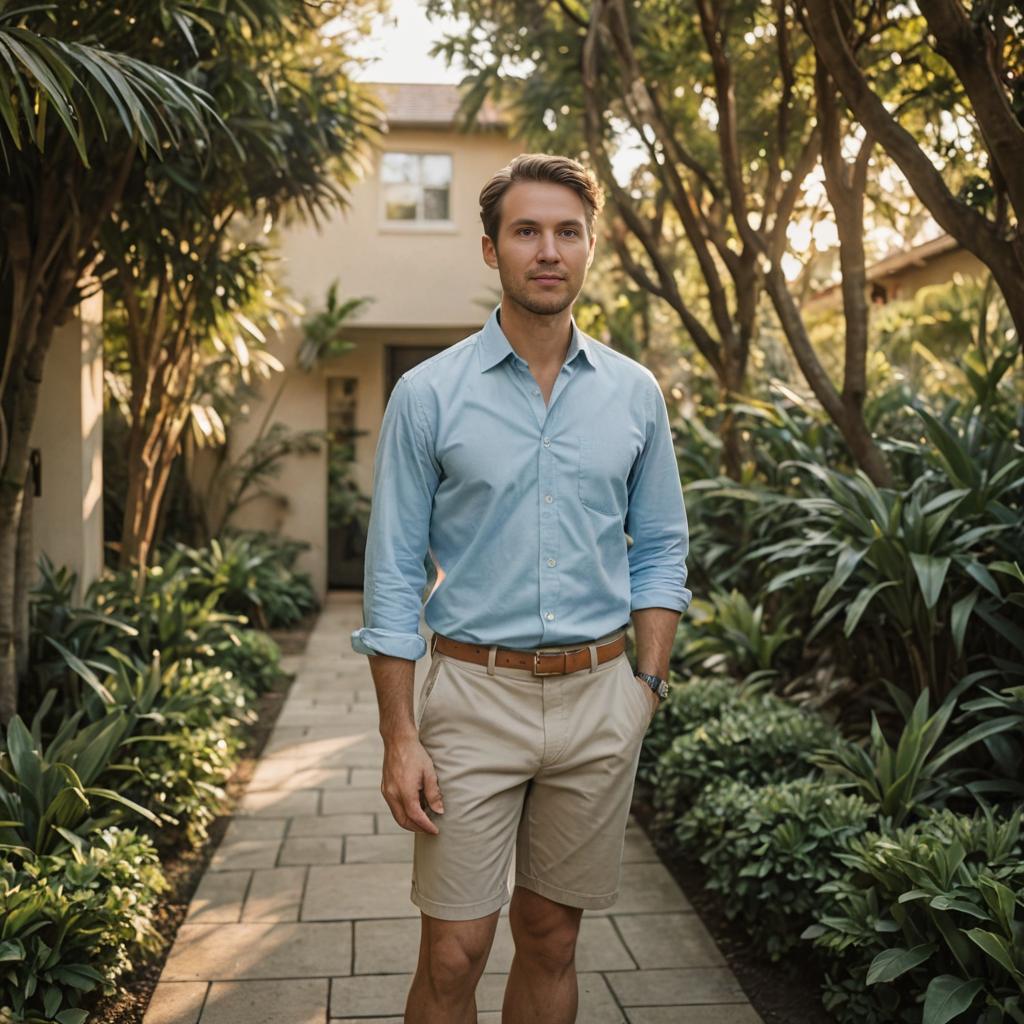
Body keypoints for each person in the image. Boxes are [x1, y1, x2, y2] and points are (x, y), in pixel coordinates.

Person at [351, 153, 691, 1024]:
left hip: (599, 700)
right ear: (490, 249)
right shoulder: (428, 395)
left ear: (589, 247)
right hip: (471, 697)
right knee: (455, 953)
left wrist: (643, 689)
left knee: (551, 937)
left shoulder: (634, 394)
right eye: (528, 231)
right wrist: (399, 735)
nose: (549, 250)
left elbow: (660, 547)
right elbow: (390, 573)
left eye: (568, 232)